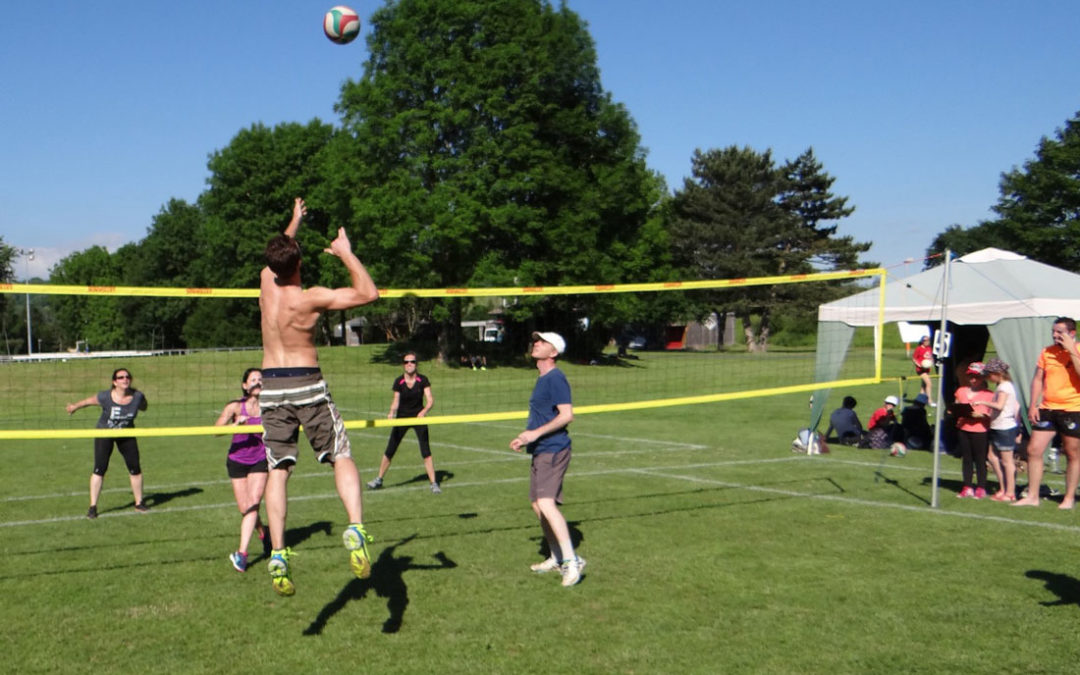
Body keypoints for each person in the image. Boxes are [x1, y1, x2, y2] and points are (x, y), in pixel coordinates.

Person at [259, 197, 380, 596]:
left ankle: (278, 553)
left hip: (271, 385)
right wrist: (346, 253)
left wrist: (294, 221)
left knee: (279, 469)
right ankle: (356, 529)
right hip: (306, 380)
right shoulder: (309, 297)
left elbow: (280, 252)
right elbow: (368, 293)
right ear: (299, 263)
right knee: (340, 455)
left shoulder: (264, 280)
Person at [510, 331, 586, 588]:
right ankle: (555, 557)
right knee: (537, 504)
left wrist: (535, 434)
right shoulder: (542, 378)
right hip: (541, 448)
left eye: (542, 342)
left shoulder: (556, 378)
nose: (536, 344)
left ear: (553, 352)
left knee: (546, 503)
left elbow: (567, 415)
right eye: (536, 340)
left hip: (554, 449)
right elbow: (543, 417)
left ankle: (572, 561)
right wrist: (525, 438)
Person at [1014, 317, 1080, 509]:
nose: (1055, 335)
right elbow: (1037, 379)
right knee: (1033, 450)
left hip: (1072, 409)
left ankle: (1069, 498)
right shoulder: (1047, 352)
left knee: (1071, 452)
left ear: (1072, 333)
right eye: (1053, 331)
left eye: (1059, 331)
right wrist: (1033, 404)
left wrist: (1071, 351)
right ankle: (1032, 496)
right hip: (1047, 408)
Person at [66, 367, 149, 518]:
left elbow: (144, 406)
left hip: (127, 434)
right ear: (114, 382)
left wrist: (142, 404)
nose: (125, 379)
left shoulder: (137, 396)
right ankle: (93, 507)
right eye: (121, 377)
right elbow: (88, 401)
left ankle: (139, 503)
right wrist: (74, 407)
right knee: (99, 469)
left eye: (127, 377)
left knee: (135, 468)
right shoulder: (105, 396)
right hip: (104, 433)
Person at [214, 368, 273, 572]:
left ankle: (242, 554)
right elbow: (216, 431)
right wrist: (235, 425)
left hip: (260, 459)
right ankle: (263, 532)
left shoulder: (270, 407)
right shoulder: (235, 406)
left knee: (254, 503)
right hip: (237, 460)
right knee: (245, 508)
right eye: (253, 380)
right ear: (245, 386)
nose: (257, 382)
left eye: (260, 379)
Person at [367, 352, 440, 493]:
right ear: (403, 365)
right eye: (406, 362)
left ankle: (434, 483)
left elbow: (430, 400)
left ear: (416, 364)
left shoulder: (423, 380)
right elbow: (396, 400)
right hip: (402, 418)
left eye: (412, 361)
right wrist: (391, 413)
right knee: (390, 449)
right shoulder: (399, 381)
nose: (409, 364)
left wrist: (423, 412)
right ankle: (379, 479)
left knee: (426, 451)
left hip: (418, 418)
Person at [953, 362, 994, 498]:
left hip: (980, 430)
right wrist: (955, 410)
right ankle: (967, 486)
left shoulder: (989, 394)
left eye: (976, 377)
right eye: (971, 376)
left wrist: (982, 416)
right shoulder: (961, 391)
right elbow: (956, 407)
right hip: (963, 427)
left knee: (980, 459)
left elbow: (992, 413)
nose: (973, 380)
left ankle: (981, 486)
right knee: (967, 459)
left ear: (983, 378)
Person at [981, 358, 1020, 502]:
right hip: (998, 425)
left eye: (989, 374)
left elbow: (999, 406)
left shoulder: (1004, 387)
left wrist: (983, 403)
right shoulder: (1002, 386)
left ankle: (1010, 492)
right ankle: (1003, 488)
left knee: (1007, 461)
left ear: (997, 373)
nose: (988, 378)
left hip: (1005, 427)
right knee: (992, 456)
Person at [912, 335, 937, 407]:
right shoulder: (919, 348)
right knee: (929, 384)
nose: (927, 342)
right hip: (921, 370)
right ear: (922, 341)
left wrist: (931, 362)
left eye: (928, 340)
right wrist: (919, 364)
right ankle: (929, 401)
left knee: (923, 386)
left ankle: (919, 401)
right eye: (925, 341)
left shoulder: (929, 348)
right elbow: (914, 358)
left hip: (927, 369)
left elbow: (930, 357)